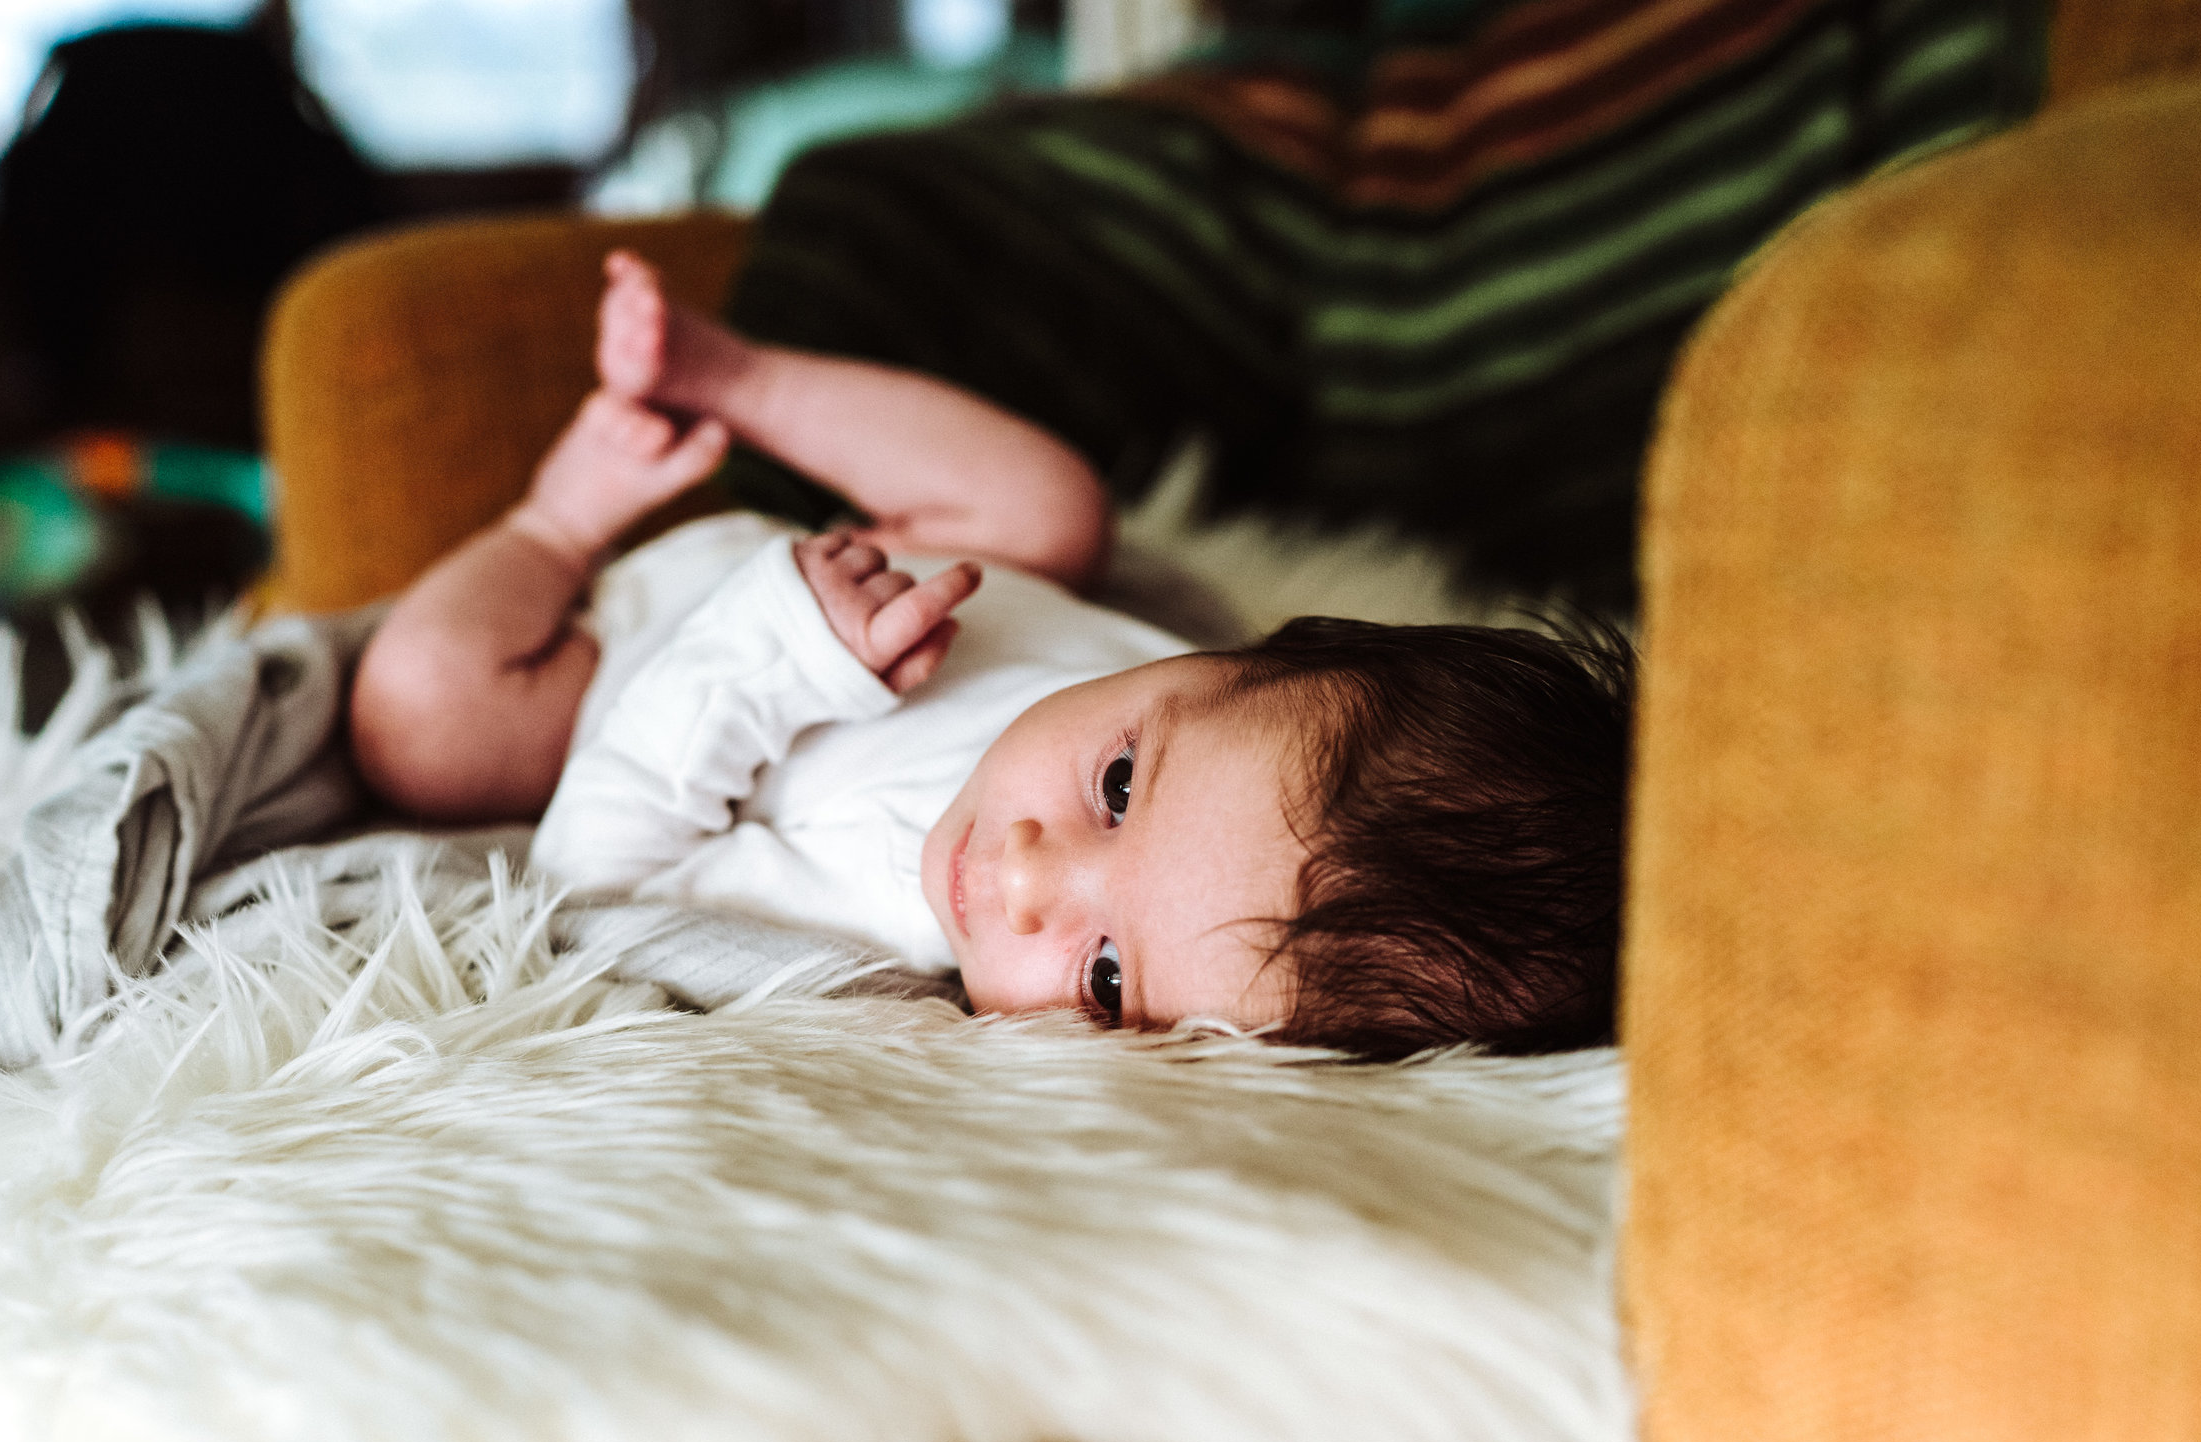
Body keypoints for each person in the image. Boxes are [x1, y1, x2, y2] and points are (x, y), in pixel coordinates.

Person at [351, 252, 1634, 1058]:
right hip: (869, 556)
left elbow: (598, 874)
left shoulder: (864, 916)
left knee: (419, 722)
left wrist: (773, 651)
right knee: (1055, 513)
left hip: (609, 691)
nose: (1027, 881)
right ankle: (741, 378)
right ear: (1240, 658)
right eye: (1118, 789)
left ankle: (552, 517)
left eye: (1107, 971)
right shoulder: (1186, 679)